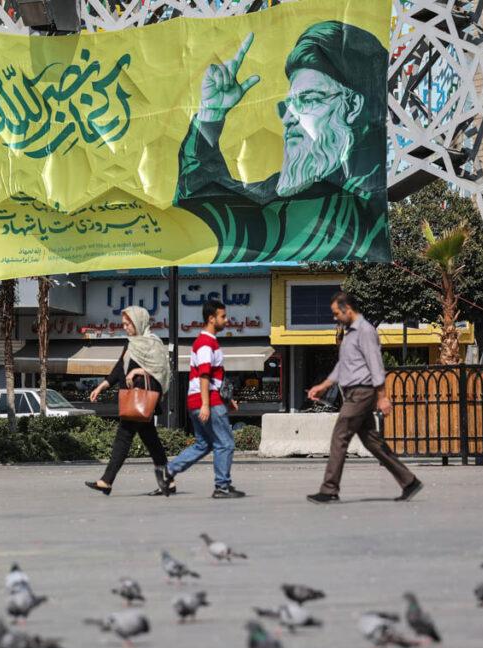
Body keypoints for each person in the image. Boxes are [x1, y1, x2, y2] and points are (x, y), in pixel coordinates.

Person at [174, 21, 389, 264]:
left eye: (307, 100)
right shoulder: (286, 191)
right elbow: (199, 204)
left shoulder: (361, 203)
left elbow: (219, 219)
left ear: (352, 107)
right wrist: (211, 115)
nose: (288, 119)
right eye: (287, 106)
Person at [305, 292, 422, 504]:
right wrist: (323, 386)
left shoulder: (365, 331)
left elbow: (375, 363)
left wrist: (383, 397)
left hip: (361, 392)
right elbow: (344, 365)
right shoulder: (350, 333)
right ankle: (409, 481)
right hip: (354, 392)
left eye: (336, 313)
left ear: (348, 309)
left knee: (339, 437)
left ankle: (329, 489)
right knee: (372, 442)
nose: (335, 318)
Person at [158, 300, 245, 499]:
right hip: (208, 402)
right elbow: (204, 376)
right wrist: (207, 404)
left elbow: (213, 377)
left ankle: (170, 470)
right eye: (223, 316)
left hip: (200, 401)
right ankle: (221, 487)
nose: (226, 320)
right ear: (211, 318)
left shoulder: (205, 342)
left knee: (203, 444)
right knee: (225, 443)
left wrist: (227, 400)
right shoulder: (206, 342)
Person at [84, 306, 172, 496]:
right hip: (132, 399)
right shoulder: (131, 344)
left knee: (123, 437)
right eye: (123, 323)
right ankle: (168, 481)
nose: (124, 327)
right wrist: (101, 386)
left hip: (142, 399)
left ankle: (106, 481)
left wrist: (138, 371)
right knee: (152, 442)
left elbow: (162, 370)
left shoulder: (153, 343)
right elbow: (118, 369)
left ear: (139, 322)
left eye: (127, 323)